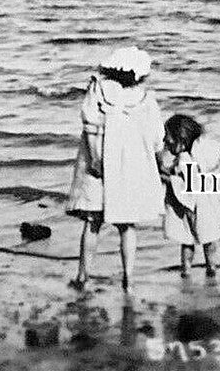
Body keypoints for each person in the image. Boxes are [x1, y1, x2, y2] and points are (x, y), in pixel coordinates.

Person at [64, 46, 165, 293]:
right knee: (127, 226)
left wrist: (97, 160)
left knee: (92, 223)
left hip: (96, 165)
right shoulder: (145, 99)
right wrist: (158, 161)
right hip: (128, 167)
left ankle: (83, 275)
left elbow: (89, 125)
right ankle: (128, 280)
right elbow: (156, 138)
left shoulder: (97, 91)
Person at [160, 114, 220, 278]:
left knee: (187, 239)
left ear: (181, 141)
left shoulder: (184, 159)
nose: (166, 143)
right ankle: (211, 267)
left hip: (191, 206)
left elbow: (186, 185)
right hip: (207, 202)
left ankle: (186, 270)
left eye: (169, 140)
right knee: (209, 237)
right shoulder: (201, 155)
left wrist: (167, 178)